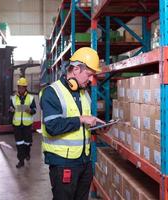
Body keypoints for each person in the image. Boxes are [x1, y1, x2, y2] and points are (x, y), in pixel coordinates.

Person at [40, 47, 108, 200]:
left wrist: (95, 127)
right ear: (76, 69)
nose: (91, 80)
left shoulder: (83, 92)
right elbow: (52, 127)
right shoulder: (52, 92)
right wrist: (81, 119)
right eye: (89, 75)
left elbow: (82, 127)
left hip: (84, 160)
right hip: (63, 162)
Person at [10, 77, 37, 168]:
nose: (20, 89)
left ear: (25, 88)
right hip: (17, 125)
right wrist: (11, 110)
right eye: (19, 87)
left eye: (22, 87)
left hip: (27, 125)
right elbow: (11, 110)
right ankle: (21, 161)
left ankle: (27, 153)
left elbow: (34, 110)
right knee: (19, 143)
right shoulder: (13, 98)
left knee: (27, 142)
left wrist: (30, 110)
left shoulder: (30, 98)